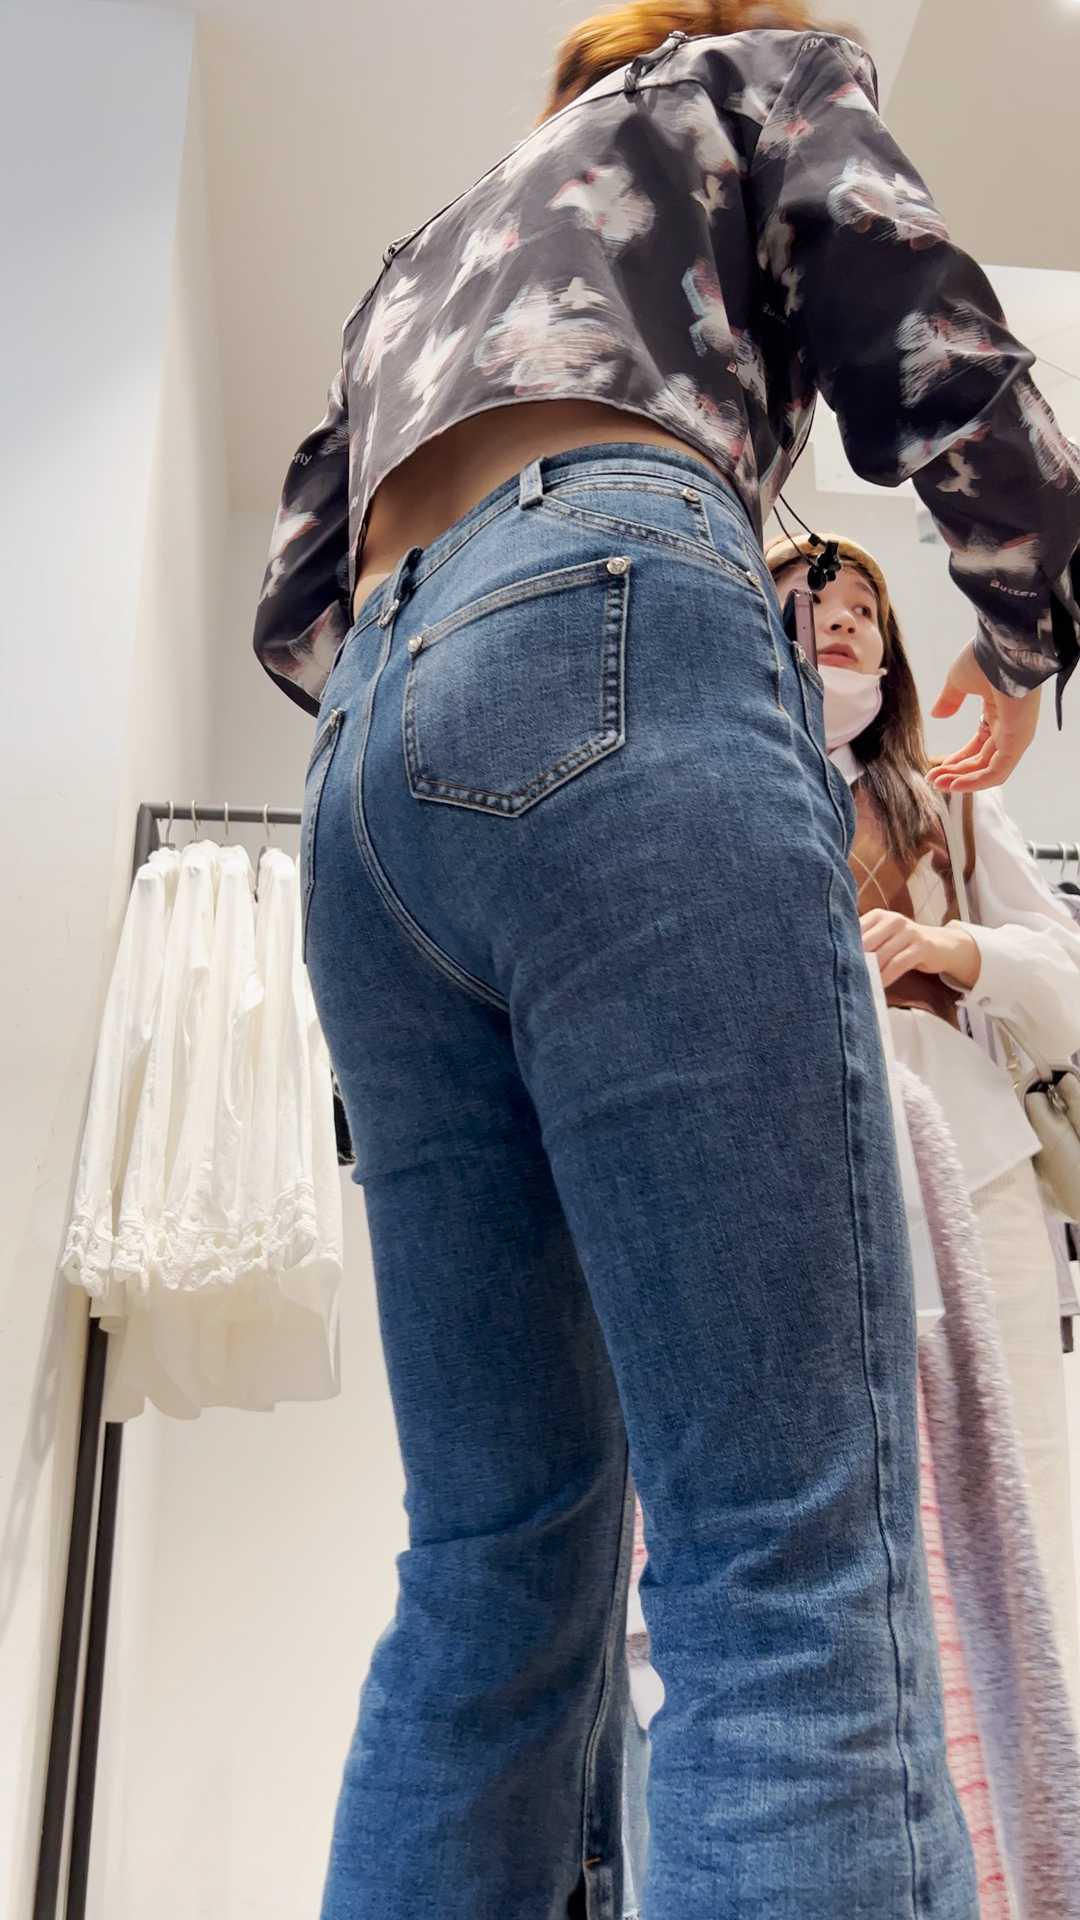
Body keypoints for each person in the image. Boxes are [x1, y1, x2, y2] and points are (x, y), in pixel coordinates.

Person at [252, 4, 1080, 1914]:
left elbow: (300, 591)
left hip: (364, 777)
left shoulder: (425, 257)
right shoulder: (755, 76)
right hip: (617, 611)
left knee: (486, 1574)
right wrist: (1027, 618)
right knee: (785, 1560)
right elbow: (918, 317)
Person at [766, 530, 1080, 1700]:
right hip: (787, 1171)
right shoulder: (717, 807)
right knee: (823, 1502)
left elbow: (1068, 977)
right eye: (814, 596)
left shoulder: (947, 803)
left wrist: (950, 948)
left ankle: (1040, 1794)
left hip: (970, 1159)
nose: (844, 616)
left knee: (1018, 1487)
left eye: (865, 604)